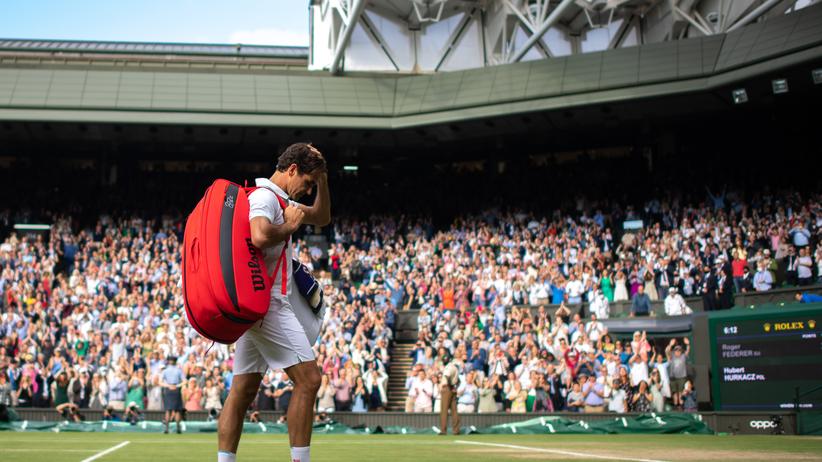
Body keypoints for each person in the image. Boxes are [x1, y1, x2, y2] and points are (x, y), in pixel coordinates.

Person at [217, 143, 330, 462]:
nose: (308, 190)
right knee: (309, 380)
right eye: (307, 182)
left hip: (255, 308)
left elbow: (322, 216)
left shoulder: (282, 200)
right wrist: (290, 226)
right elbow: (259, 235)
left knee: (242, 391)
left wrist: (322, 178)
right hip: (269, 306)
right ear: (292, 170)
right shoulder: (266, 197)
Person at [161, 356, 185, 434]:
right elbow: (185, 381)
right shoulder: (178, 370)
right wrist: (177, 386)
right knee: (177, 410)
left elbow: (160, 382)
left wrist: (168, 386)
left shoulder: (165, 371)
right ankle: (178, 428)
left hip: (169, 390)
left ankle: (167, 428)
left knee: (168, 410)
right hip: (176, 389)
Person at [665, 338, 690, 410]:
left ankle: (681, 406)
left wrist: (688, 344)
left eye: (679, 350)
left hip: (681, 377)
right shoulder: (672, 356)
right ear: (674, 351)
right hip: (673, 377)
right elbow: (666, 351)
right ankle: (676, 405)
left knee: (681, 392)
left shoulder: (683, 356)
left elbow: (688, 351)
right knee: (675, 392)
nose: (678, 351)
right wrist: (670, 345)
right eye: (676, 350)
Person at [439, 355, 461, 435]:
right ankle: (456, 430)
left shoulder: (448, 367)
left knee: (444, 410)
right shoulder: (455, 368)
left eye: (444, 360)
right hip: (453, 390)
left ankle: (443, 430)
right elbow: (459, 381)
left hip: (447, 388)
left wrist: (451, 386)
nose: (443, 361)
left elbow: (447, 376)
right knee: (454, 411)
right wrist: (455, 387)